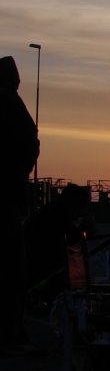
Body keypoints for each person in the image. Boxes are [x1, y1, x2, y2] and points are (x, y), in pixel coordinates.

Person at [0, 55, 40, 347]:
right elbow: (31, 143)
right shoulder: (11, 104)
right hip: (7, 198)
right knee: (13, 270)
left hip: (10, 194)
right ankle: (10, 333)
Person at [24, 183, 93, 307]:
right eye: (81, 207)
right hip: (37, 275)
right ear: (72, 203)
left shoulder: (52, 213)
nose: (82, 213)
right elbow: (65, 241)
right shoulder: (54, 217)